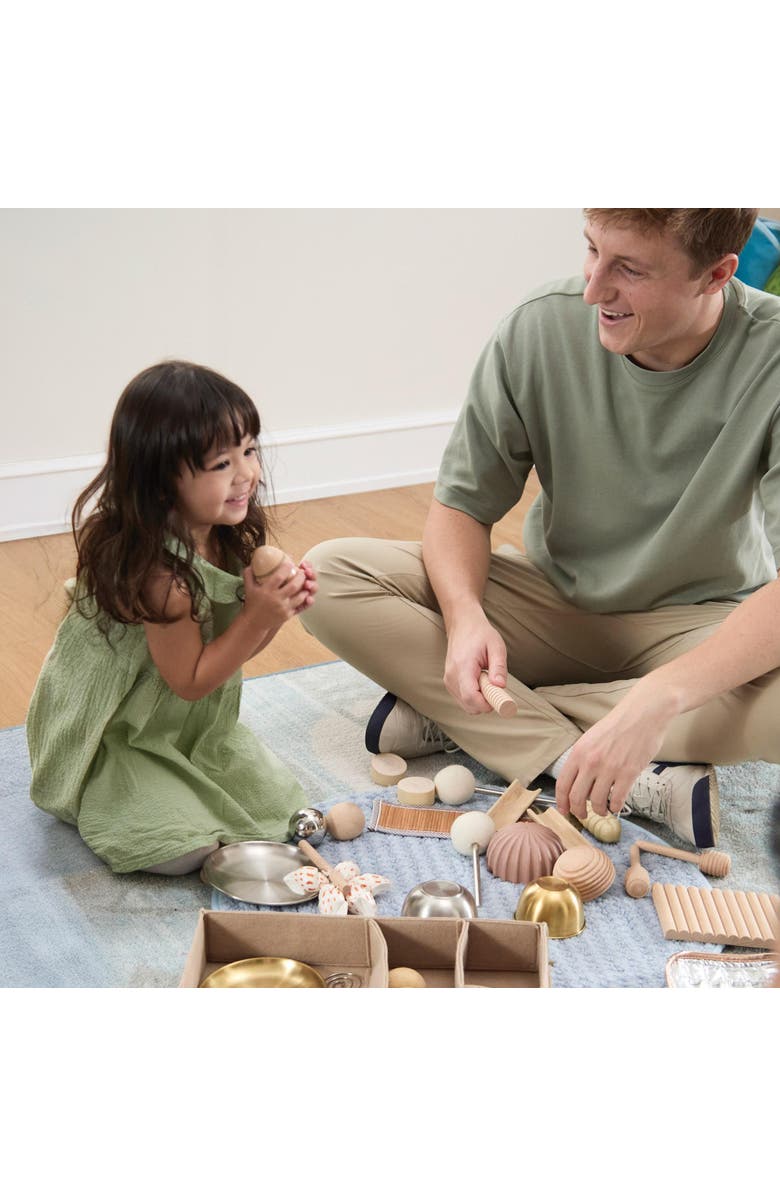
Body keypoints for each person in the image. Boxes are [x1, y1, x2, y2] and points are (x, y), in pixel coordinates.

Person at [300, 208, 780, 850]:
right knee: (328, 576)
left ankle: (471, 719)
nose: (593, 289)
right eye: (592, 251)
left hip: (700, 625)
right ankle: (576, 754)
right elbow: (462, 506)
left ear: (716, 275)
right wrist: (467, 616)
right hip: (549, 602)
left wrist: (661, 698)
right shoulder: (540, 327)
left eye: (628, 270)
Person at [26, 361, 317, 874]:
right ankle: (107, 793)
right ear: (161, 482)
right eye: (221, 464)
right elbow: (189, 681)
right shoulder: (161, 576)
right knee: (178, 846)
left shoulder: (222, 537)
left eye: (248, 450)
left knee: (276, 800)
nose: (246, 473)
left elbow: (229, 654)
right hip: (124, 731)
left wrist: (275, 613)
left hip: (190, 727)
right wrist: (257, 615)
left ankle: (189, 788)